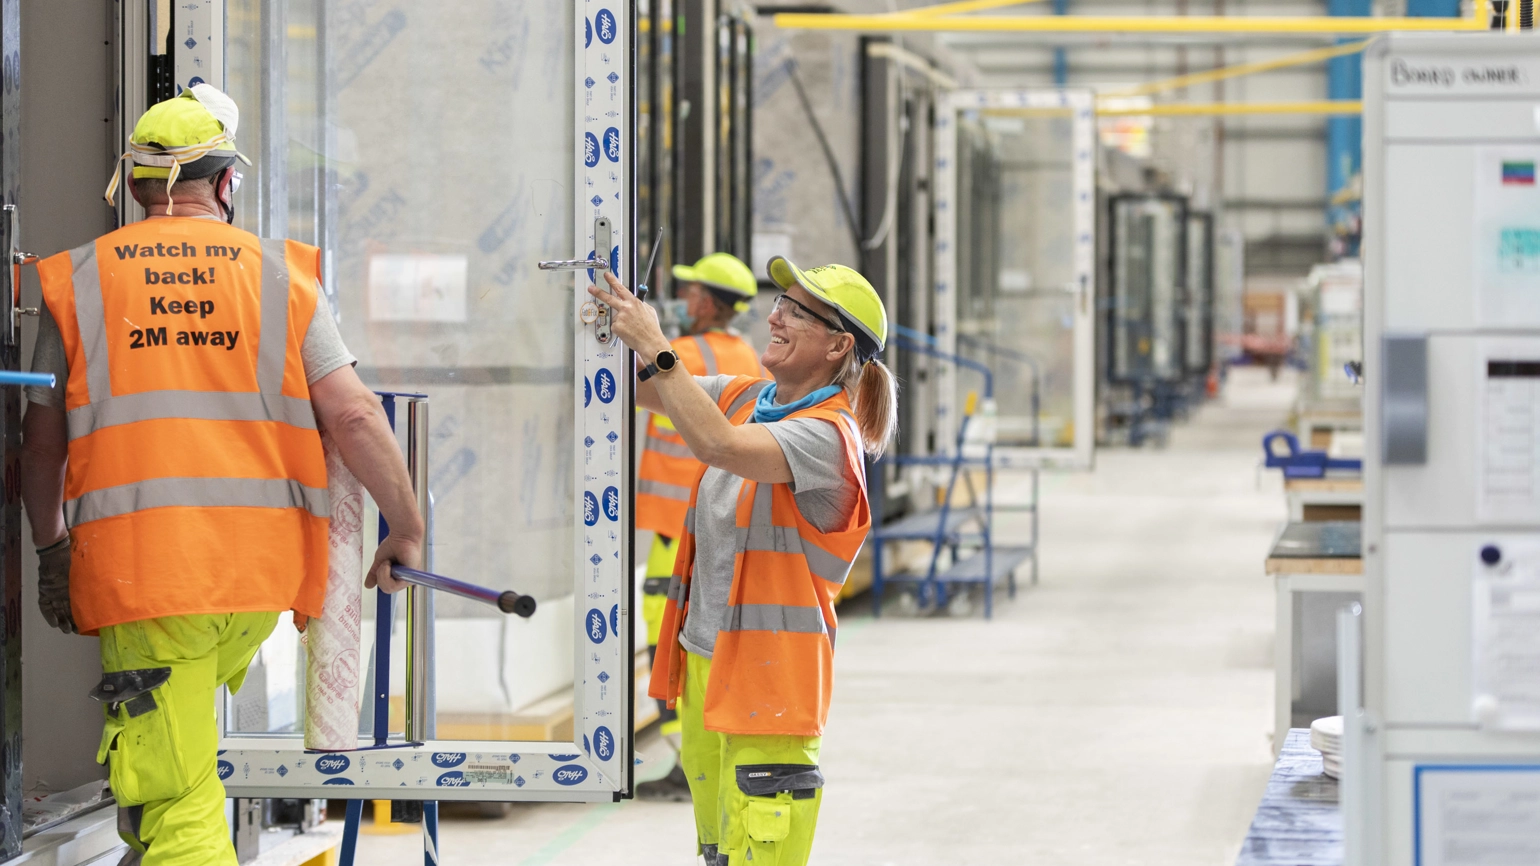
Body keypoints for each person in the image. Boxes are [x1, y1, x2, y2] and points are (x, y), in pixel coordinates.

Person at [19, 85, 423, 866]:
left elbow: (41, 443)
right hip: (261, 579)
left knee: (175, 793)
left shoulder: (78, 282)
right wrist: (404, 526)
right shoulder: (282, 276)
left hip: (148, 579)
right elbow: (356, 416)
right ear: (226, 183)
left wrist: (50, 550)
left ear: (134, 187)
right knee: (173, 759)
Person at [591, 256, 897, 866]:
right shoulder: (750, 399)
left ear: (838, 346)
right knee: (718, 853)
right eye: (778, 301)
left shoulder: (828, 437)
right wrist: (601, 329)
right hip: (710, 664)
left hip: (770, 684)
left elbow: (718, 445)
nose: (776, 315)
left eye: (798, 310)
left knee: (759, 852)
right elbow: (639, 387)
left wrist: (656, 338)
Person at [636, 252, 766, 800]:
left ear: (709, 302)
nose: (684, 300)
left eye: (691, 294)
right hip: (714, 519)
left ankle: (684, 763)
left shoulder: (684, 354)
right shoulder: (747, 356)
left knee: (670, 642)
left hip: (679, 524)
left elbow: (627, 379)